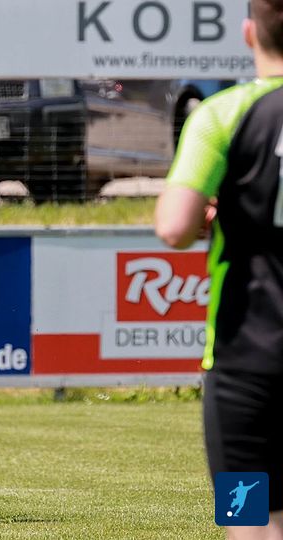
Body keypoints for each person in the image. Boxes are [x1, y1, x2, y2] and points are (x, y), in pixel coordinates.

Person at [155, 2, 283, 538]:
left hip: (247, 366)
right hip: (247, 364)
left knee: (248, 521)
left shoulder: (222, 114)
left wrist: (217, 212)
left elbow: (173, 228)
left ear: (249, 33)